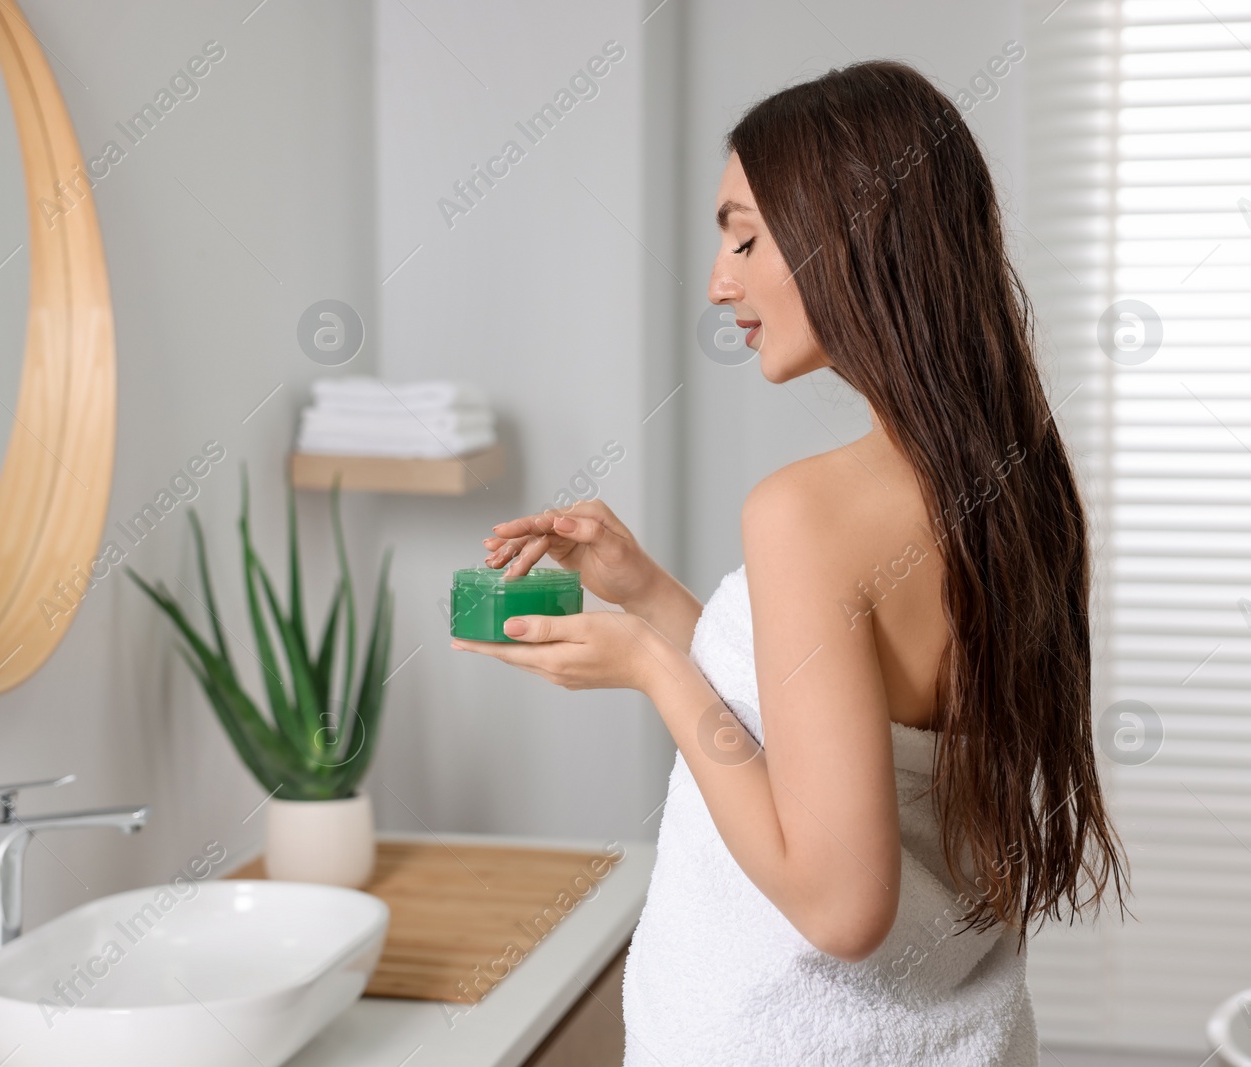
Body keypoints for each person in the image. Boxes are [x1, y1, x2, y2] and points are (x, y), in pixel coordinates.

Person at [450, 60, 1129, 1065]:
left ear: (850, 233)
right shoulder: (1012, 481)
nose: (720, 279)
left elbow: (841, 903)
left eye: (744, 236)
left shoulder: (803, 512)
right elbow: (838, 722)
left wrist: (651, 666)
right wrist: (646, 592)